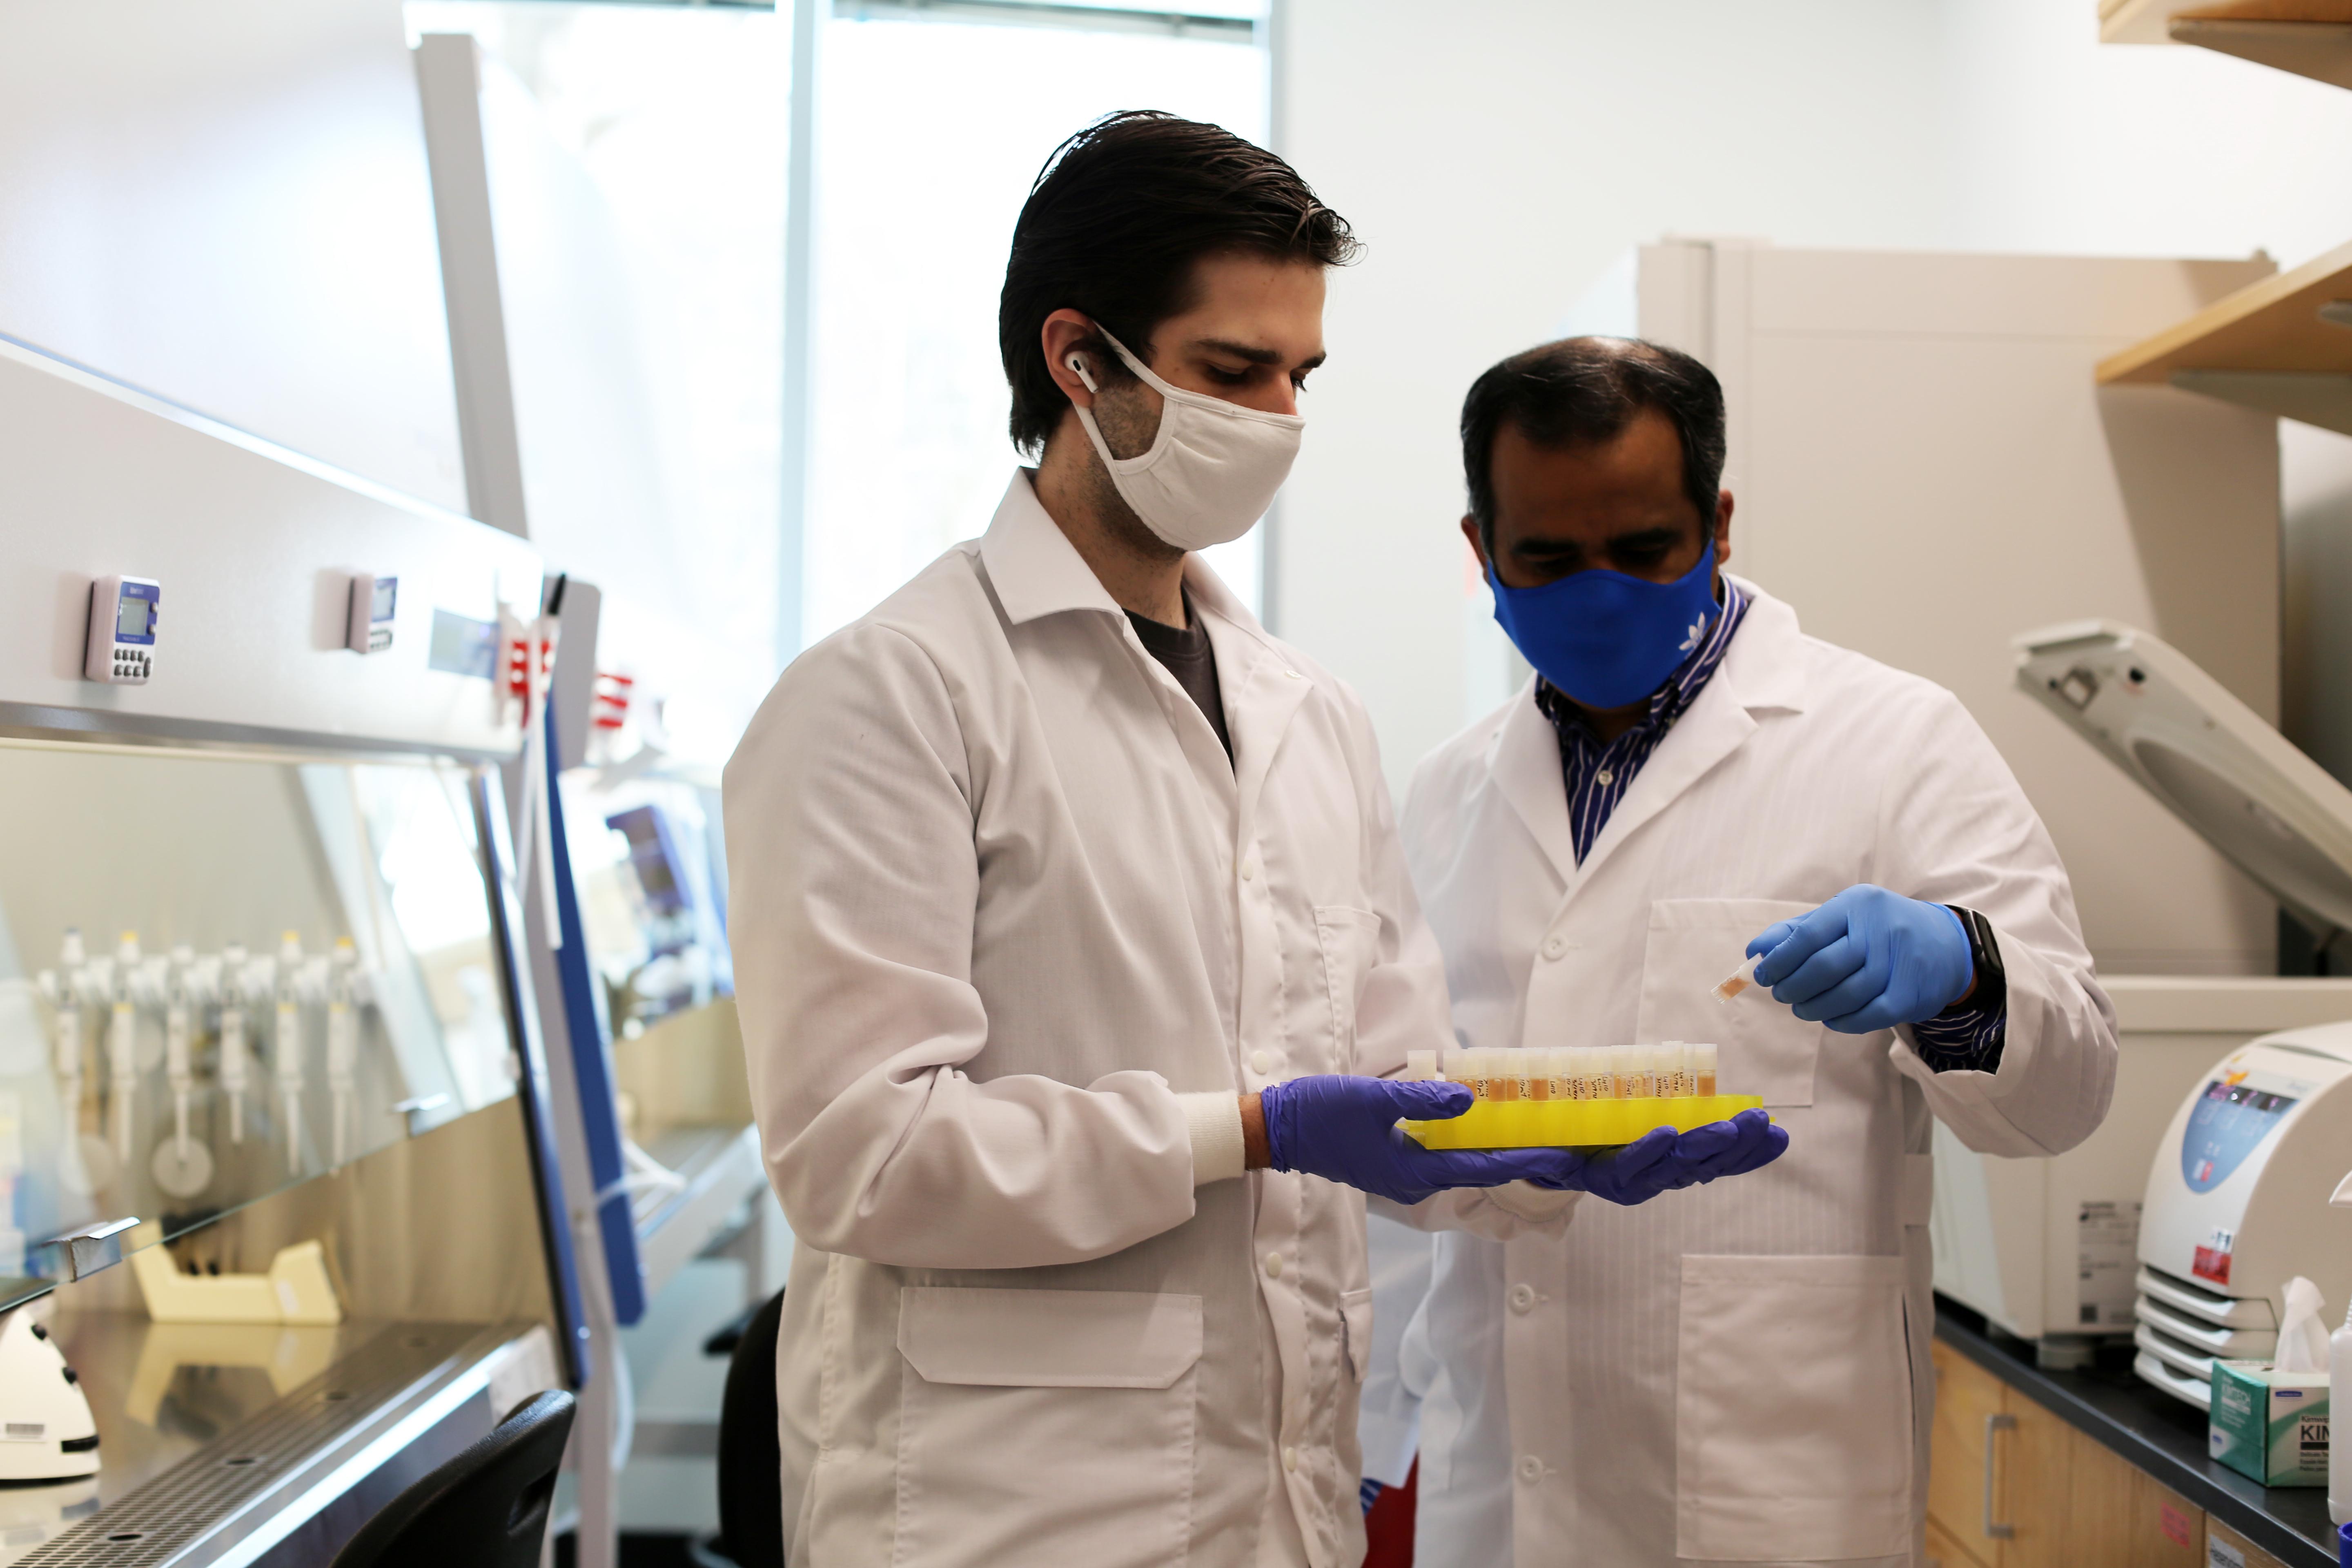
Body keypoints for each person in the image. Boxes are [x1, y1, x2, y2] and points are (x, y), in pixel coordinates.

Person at [723, 121, 1776, 1568]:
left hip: (1272, 1495)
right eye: (1233, 372)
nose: (1280, 414)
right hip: (998, 1512)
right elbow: (864, 1154)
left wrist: (1547, 1159)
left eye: (1303, 375)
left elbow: (1388, 1087)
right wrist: (1251, 1129)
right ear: (1080, 361)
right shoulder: (896, 693)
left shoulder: (1305, 713)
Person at [1388, 337, 2119, 1568]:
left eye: (1645, 550)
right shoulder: (1445, 796)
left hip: (1771, 1498)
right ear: (1481, 553)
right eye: (1549, 560)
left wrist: (1964, 974)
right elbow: (1397, 1125)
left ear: (1719, 523)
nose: (1601, 591)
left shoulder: (1894, 743)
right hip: (1498, 1488)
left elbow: (2068, 1091)